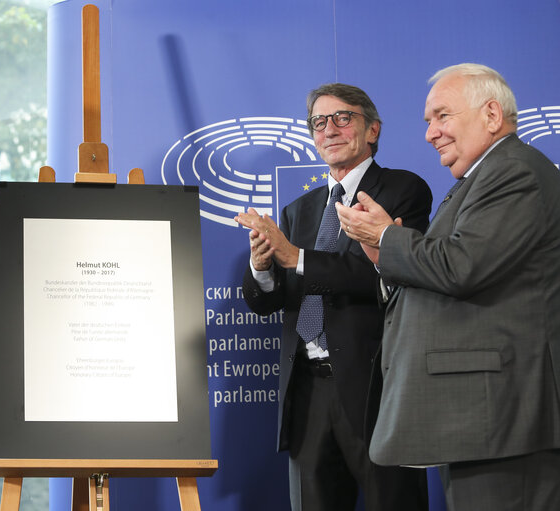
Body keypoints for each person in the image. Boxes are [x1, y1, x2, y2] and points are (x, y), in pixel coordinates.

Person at [336, 63, 560, 510]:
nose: (430, 133)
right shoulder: (481, 177)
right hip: (486, 425)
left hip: (505, 420)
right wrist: (387, 256)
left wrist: (384, 236)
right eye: (427, 122)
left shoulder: (513, 172)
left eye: (442, 116)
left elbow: (462, 266)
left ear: (492, 115)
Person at [235, 83, 431, 511]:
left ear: (372, 129)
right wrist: (263, 266)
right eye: (318, 123)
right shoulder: (298, 210)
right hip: (307, 391)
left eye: (343, 118)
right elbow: (273, 300)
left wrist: (295, 256)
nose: (329, 130)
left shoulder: (403, 191)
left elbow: (382, 274)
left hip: (376, 388)